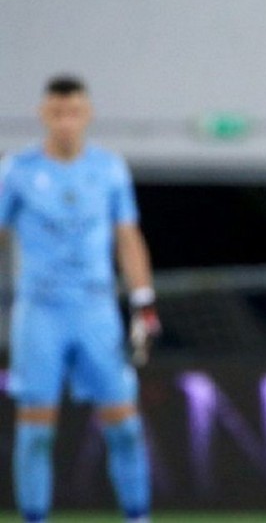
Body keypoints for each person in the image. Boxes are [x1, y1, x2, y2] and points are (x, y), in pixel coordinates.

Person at [0, 75, 161, 523]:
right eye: (57, 113)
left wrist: (143, 303)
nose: (65, 122)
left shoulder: (109, 170)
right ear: (43, 114)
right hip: (39, 312)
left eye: (72, 112)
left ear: (86, 114)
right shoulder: (17, 171)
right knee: (35, 433)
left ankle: (138, 518)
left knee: (125, 428)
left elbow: (127, 237)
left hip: (96, 310)